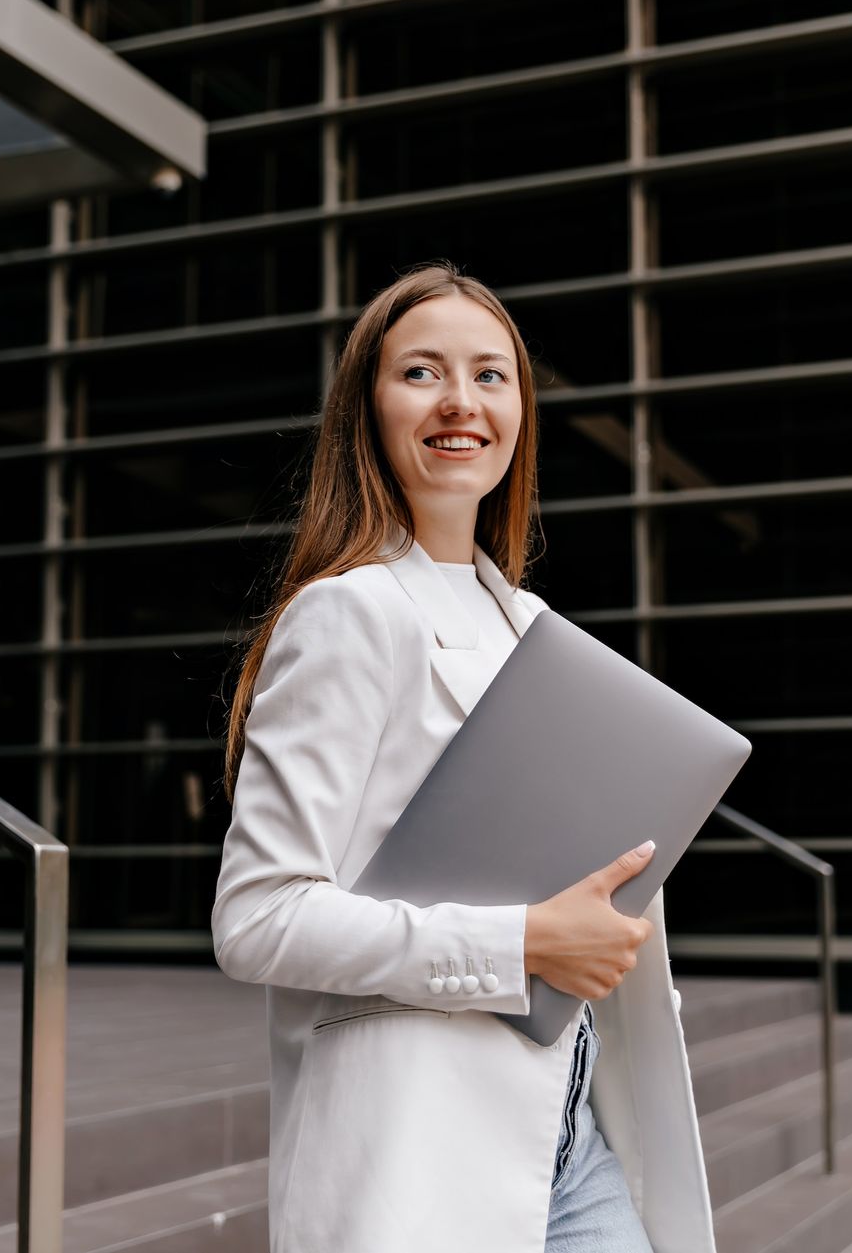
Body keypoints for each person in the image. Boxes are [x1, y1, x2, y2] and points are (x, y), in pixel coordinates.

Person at [212, 261, 715, 1253]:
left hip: (571, 1132)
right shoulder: (349, 613)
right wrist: (520, 944)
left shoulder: (531, 628)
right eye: (422, 373)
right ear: (369, 408)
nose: (460, 403)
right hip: (425, 1149)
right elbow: (258, 918)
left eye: (492, 376)